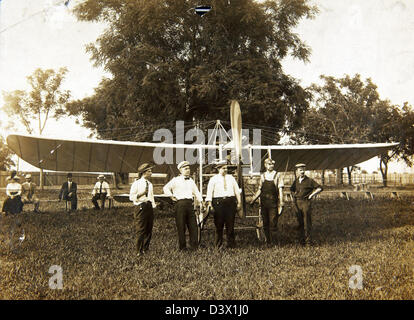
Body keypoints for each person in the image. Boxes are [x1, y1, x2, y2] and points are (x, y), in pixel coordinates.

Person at [163, 161, 204, 251]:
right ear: (180, 170)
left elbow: (196, 192)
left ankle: (194, 246)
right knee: (181, 226)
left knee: (193, 225)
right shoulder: (175, 180)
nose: (188, 170)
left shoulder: (191, 181)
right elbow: (165, 188)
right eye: (185, 169)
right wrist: (171, 196)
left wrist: (201, 201)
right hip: (180, 204)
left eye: (188, 168)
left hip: (189, 204)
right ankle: (182, 247)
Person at [205, 162, 241, 249]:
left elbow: (237, 191)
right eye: (223, 168)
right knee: (219, 225)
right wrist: (210, 205)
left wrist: (239, 202)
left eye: (226, 168)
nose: (225, 170)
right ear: (218, 169)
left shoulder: (231, 178)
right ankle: (218, 245)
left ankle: (231, 245)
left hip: (230, 202)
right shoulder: (213, 179)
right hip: (218, 203)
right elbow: (209, 193)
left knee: (230, 224)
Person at [250, 158, 284, 245]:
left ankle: (275, 243)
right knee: (265, 223)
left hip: (273, 202)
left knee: (273, 222)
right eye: (269, 164)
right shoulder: (263, 176)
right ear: (265, 165)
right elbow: (260, 190)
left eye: (272, 164)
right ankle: (268, 242)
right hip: (264, 202)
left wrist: (282, 201)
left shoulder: (277, 175)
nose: (271, 165)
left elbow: (280, 189)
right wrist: (253, 200)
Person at [290, 163, 323, 246]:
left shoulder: (309, 180)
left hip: (305, 202)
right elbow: (291, 190)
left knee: (307, 223)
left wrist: (311, 195)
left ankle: (308, 242)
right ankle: (300, 241)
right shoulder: (296, 181)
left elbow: (319, 188)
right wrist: (293, 198)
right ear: (297, 171)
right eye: (300, 170)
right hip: (297, 203)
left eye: (303, 170)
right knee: (298, 222)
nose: (302, 172)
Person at [129, 163, 156, 257]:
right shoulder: (136, 183)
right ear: (144, 173)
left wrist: (153, 206)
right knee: (141, 229)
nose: (151, 173)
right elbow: (131, 197)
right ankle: (138, 251)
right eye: (149, 171)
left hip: (148, 207)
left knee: (149, 229)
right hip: (140, 206)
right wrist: (141, 194)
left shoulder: (150, 184)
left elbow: (151, 196)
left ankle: (145, 249)